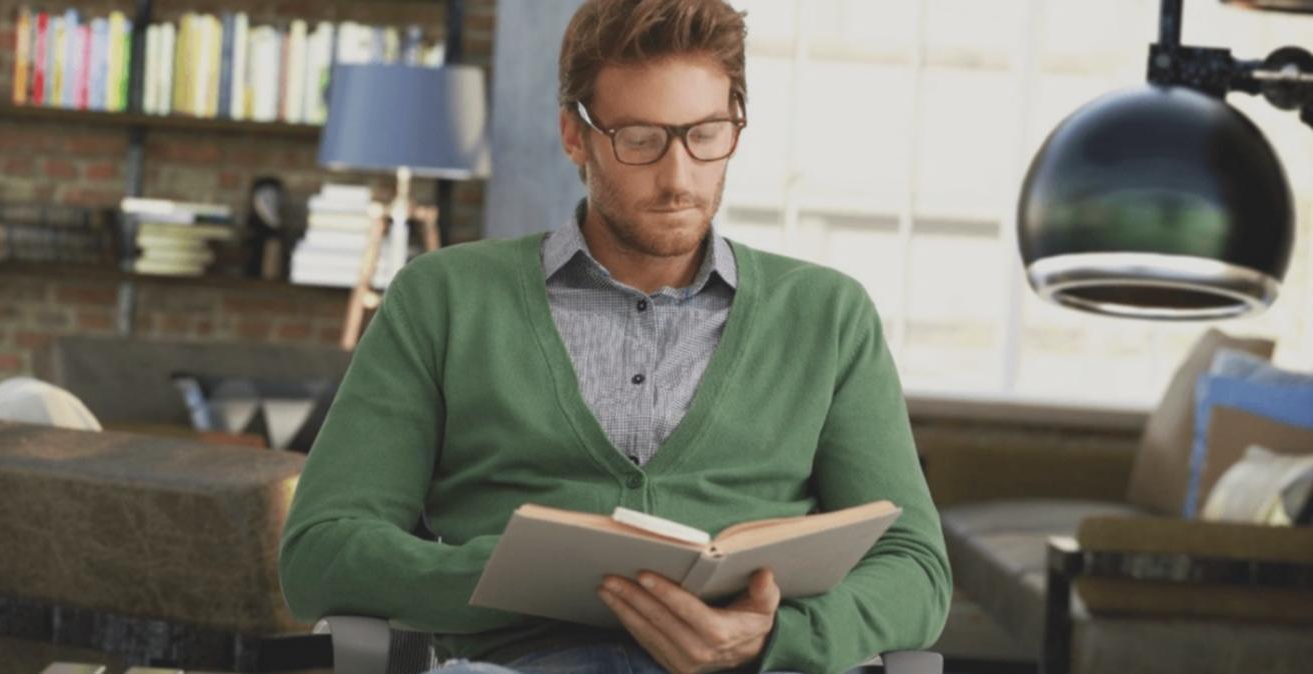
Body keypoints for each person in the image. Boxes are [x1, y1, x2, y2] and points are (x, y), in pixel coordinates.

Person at [278, 1, 951, 672]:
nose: (678, 177)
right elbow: (322, 552)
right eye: (640, 139)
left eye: (707, 134)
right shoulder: (444, 299)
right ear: (576, 136)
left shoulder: (828, 315)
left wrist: (775, 637)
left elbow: (916, 566)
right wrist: (523, 574)